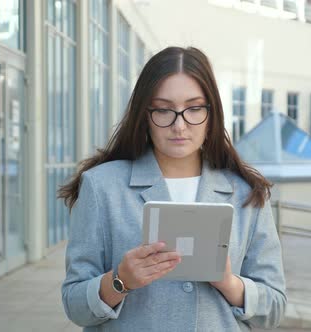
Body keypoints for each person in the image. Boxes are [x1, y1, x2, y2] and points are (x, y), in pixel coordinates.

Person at [59, 46, 286, 331]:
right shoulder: (101, 186)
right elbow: (74, 305)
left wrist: (229, 283)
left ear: (211, 114)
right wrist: (119, 281)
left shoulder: (246, 193)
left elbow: (275, 307)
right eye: (164, 110)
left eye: (193, 108)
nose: (179, 125)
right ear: (145, 115)